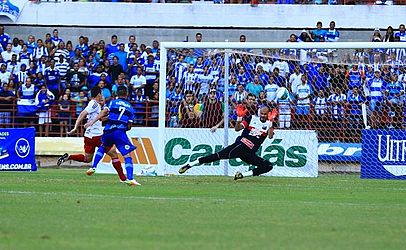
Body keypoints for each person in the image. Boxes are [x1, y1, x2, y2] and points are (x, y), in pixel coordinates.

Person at [179, 105, 275, 180]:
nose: (263, 115)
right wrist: (239, 117)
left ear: (268, 114)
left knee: (268, 166)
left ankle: (242, 175)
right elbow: (237, 129)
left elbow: (270, 136)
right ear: (259, 113)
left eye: (265, 114)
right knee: (218, 156)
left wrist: (271, 122)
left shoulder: (269, 123)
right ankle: (190, 164)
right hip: (240, 146)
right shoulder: (252, 119)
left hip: (249, 153)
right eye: (262, 113)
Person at [57, 86, 127, 183]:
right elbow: (82, 114)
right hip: (97, 136)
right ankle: (123, 178)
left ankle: (69, 157)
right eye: (101, 93)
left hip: (89, 136)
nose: (102, 96)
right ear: (98, 94)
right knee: (114, 154)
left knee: (87, 159)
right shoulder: (93, 104)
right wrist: (75, 127)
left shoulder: (96, 105)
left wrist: (111, 116)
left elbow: (101, 119)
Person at [83, 86, 140, 186]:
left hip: (108, 131)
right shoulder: (130, 108)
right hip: (119, 132)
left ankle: (93, 167)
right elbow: (129, 126)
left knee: (103, 147)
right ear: (126, 94)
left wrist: (92, 122)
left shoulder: (113, 102)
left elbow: (104, 112)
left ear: (116, 94)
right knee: (127, 155)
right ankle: (130, 178)